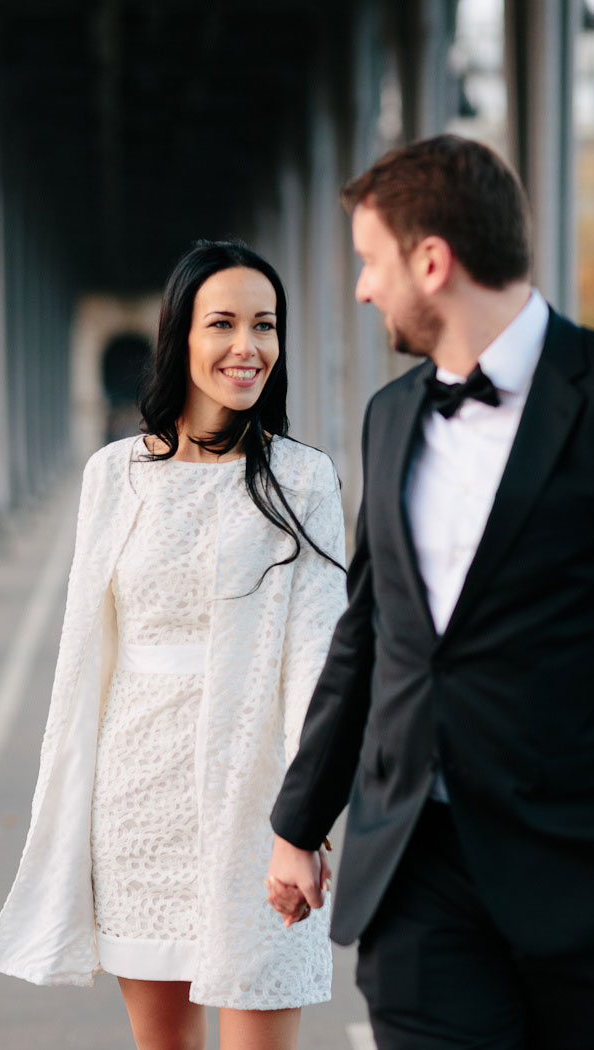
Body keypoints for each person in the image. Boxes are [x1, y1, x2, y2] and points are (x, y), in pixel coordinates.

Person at [266, 135, 594, 1050]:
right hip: (414, 869)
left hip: (571, 865)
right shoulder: (391, 414)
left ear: (432, 261)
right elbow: (369, 633)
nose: (363, 289)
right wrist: (300, 821)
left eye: (372, 262)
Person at [0, 239, 347, 1050]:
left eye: (266, 326)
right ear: (180, 336)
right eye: (223, 324)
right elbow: (87, 661)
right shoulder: (112, 477)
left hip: (258, 807)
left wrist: (308, 825)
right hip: (137, 803)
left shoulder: (305, 480)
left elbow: (319, 665)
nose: (247, 347)